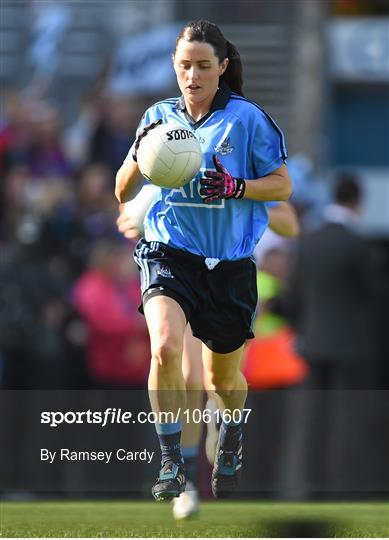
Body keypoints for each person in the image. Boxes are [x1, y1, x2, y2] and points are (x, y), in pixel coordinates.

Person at [115, 19, 292, 501]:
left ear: (222, 67)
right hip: (169, 252)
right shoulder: (157, 116)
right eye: (183, 66)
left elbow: (282, 185)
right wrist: (141, 153)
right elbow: (122, 189)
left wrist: (236, 187)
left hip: (229, 263)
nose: (191, 76)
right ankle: (171, 459)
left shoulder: (247, 119)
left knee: (222, 380)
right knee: (166, 347)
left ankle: (230, 432)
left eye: (202, 66)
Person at [117, 198, 299, 517]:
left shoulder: (242, 160)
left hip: (230, 283)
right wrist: (137, 209)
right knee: (189, 376)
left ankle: (220, 419)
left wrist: (240, 202)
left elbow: (289, 223)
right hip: (182, 276)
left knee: (220, 382)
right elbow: (133, 198)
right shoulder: (171, 152)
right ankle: (184, 481)